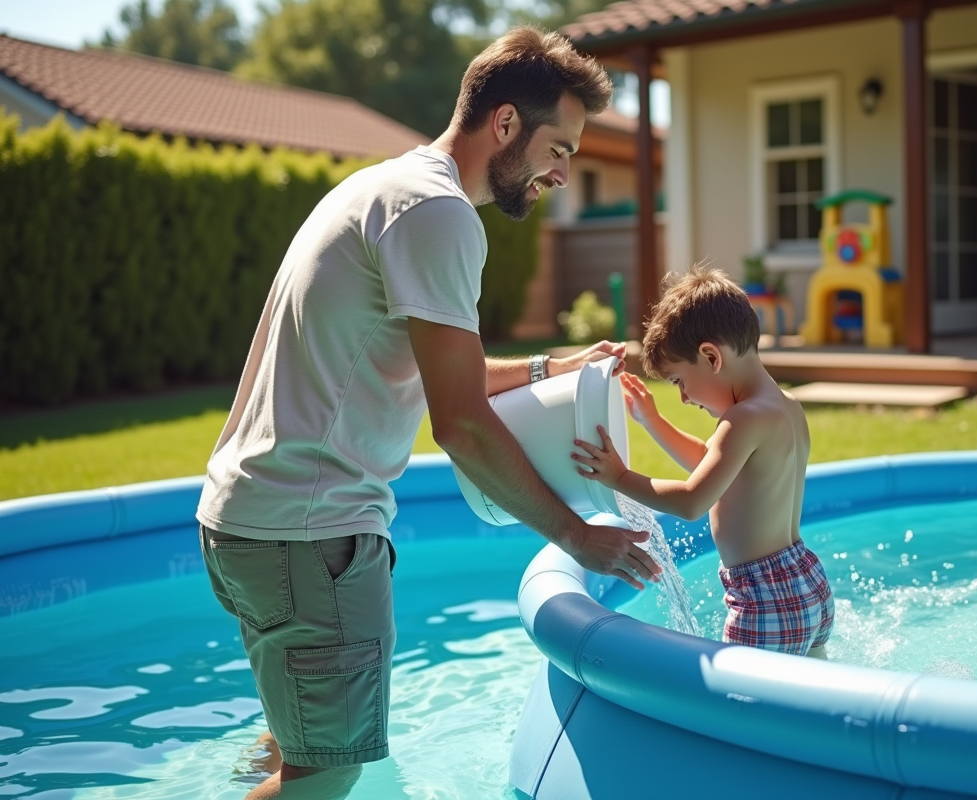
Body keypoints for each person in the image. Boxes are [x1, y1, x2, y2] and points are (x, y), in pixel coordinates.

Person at [195, 26, 661, 799]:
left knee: (292, 741)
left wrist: (550, 367)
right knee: (329, 771)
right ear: (504, 123)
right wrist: (580, 536)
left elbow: (427, 365)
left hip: (245, 521)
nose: (561, 173)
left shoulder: (383, 188)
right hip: (312, 536)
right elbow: (462, 422)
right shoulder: (439, 215)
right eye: (559, 149)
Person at [571, 266, 834, 658]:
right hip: (807, 580)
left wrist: (619, 476)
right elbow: (712, 466)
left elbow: (693, 500)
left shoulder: (743, 419)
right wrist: (653, 422)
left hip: (763, 599)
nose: (683, 398)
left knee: (735, 712)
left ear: (711, 356)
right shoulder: (786, 408)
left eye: (679, 381)